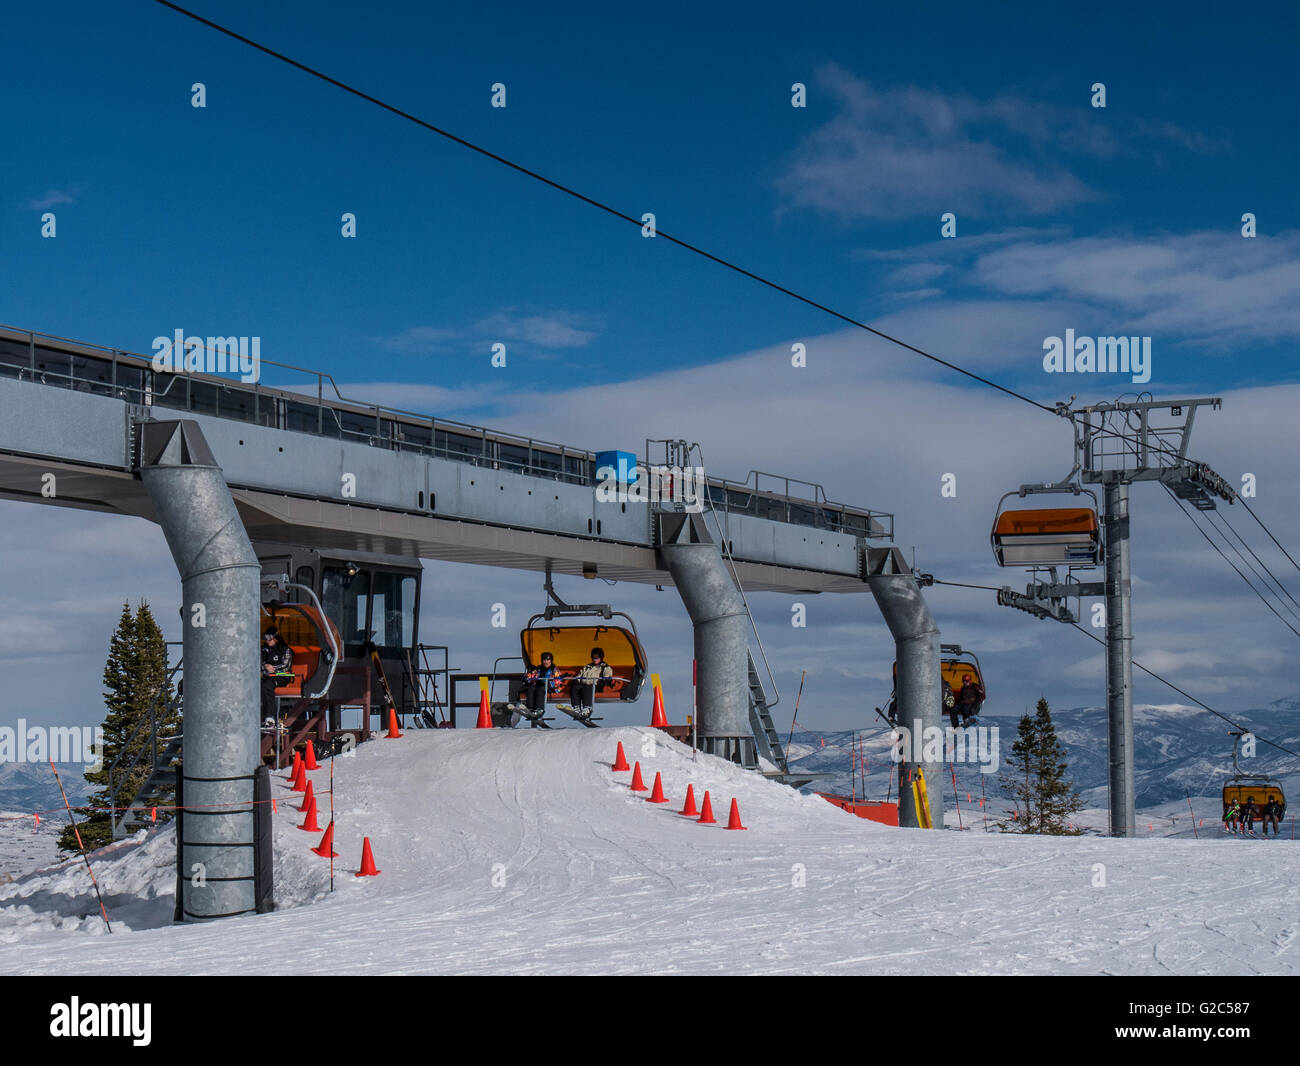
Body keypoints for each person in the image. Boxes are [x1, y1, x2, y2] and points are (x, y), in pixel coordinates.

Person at [565, 647, 614, 717]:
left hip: (595, 686)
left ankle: (587, 708)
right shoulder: (587, 667)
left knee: (587, 688)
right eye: (593, 657)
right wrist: (576, 680)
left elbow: (608, 675)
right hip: (584, 685)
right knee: (575, 687)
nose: (595, 659)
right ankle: (576, 707)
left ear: (601, 657)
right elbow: (580, 675)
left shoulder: (604, 667)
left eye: (597, 657)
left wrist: (605, 680)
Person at [514, 652, 565, 719]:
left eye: (548, 660)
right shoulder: (539, 669)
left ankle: (540, 709)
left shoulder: (554, 669)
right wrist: (527, 678)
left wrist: (550, 683)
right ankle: (530, 708)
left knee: (540, 689)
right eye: (544, 660)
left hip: (550, 687)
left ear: (551, 661)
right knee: (531, 688)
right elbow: (533, 676)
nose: (546, 662)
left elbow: (558, 681)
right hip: (539, 686)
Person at [260, 627, 294, 727]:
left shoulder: (284, 650)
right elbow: (256, 661)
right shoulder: (264, 650)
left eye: (269, 638)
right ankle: (259, 715)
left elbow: (285, 666)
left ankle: (270, 717)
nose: (267, 641)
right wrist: (264, 667)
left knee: (267, 686)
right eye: (265, 638)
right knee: (258, 686)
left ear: (276, 638)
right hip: (266, 676)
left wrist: (270, 669)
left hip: (281, 677)